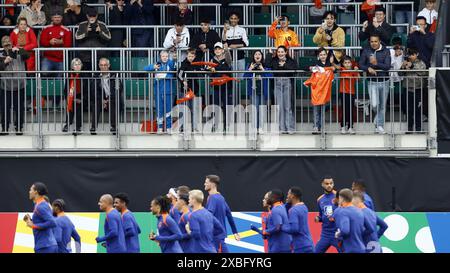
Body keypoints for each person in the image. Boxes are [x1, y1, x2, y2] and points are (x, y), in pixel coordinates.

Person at [359, 34, 391, 134]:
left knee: (382, 105)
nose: (373, 43)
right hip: (372, 82)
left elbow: (387, 66)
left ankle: (379, 125)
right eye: (372, 41)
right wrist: (368, 68)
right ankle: (378, 119)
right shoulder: (366, 51)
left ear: (379, 41)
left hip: (384, 81)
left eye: (375, 41)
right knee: (374, 105)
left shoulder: (386, 51)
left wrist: (376, 63)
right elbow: (360, 64)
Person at [265, 45, 298, 134]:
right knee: (280, 107)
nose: (280, 53)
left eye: (282, 52)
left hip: (287, 83)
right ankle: (281, 128)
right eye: (278, 52)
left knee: (287, 107)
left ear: (286, 52)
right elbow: (267, 64)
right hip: (277, 83)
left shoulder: (290, 61)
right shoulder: (274, 60)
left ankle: (290, 128)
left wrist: (285, 65)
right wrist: (269, 54)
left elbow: (295, 68)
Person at [0, 35, 29, 136]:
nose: (7, 43)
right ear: (2, 44)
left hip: (19, 85)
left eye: (8, 41)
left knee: (19, 107)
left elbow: (27, 56)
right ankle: (4, 128)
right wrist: (5, 62)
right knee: (4, 108)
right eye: (4, 41)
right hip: (5, 86)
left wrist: (19, 50)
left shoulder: (17, 51)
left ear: (12, 42)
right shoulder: (0, 54)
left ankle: (19, 128)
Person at [204, 174, 240, 253]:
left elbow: (209, 216)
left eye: (206, 182)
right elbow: (229, 215)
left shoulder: (213, 197)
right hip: (218, 237)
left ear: (213, 184)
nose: (204, 184)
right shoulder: (221, 197)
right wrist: (235, 232)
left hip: (215, 237)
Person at [144, 50, 176, 133]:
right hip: (158, 91)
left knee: (168, 110)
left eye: (166, 56)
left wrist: (164, 75)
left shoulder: (171, 63)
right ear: (160, 57)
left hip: (169, 91)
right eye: (163, 56)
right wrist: (153, 67)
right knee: (159, 110)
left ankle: (169, 127)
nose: (165, 58)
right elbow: (145, 68)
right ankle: (160, 127)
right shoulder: (157, 64)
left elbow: (174, 71)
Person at [306, 47, 336, 134]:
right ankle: (315, 127)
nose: (322, 56)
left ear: (327, 55)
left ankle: (322, 127)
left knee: (323, 111)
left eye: (324, 54)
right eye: (321, 55)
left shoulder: (329, 64)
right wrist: (310, 68)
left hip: (325, 91)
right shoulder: (316, 63)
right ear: (318, 56)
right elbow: (305, 67)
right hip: (316, 91)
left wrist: (333, 67)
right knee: (316, 110)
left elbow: (336, 69)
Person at [90, 58, 123, 135]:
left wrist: (108, 99)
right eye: (101, 65)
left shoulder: (115, 75)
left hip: (112, 98)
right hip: (100, 98)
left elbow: (119, 89)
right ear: (99, 66)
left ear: (109, 65)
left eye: (105, 65)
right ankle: (93, 128)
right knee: (96, 104)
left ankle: (114, 127)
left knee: (113, 103)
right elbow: (93, 91)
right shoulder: (96, 76)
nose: (103, 67)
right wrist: (102, 100)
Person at [23, 182, 58, 253]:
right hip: (47, 245)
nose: (29, 192)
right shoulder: (42, 204)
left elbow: (52, 222)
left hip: (45, 247)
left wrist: (33, 225)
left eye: (31, 190)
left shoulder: (41, 206)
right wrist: (31, 221)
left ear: (36, 192)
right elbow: (45, 221)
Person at [244, 50, 272, 134]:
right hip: (253, 91)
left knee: (262, 109)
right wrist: (250, 69)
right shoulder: (249, 65)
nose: (257, 55)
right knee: (254, 109)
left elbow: (270, 76)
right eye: (255, 54)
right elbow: (244, 77)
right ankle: (254, 127)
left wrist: (263, 70)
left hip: (262, 91)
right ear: (253, 56)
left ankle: (261, 127)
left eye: (259, 54)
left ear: (262, 56)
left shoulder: (265, 65)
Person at [400, 48, 427, 133]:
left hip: (418, 89)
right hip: (407, 89)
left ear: (417, 54)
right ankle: (409, 129)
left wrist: (411, 66)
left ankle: (418, 129)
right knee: (409, 110)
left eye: (412, 54)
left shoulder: (421, 63)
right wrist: (403, 67)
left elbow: (423, 72)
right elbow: (399, 73)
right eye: (409, 55)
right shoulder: (405, 62)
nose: (410, 56)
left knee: (418, 110)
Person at [39, 11, 72, 76]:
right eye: (55, 17)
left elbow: (69, 45)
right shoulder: (46, 28)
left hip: (61, 59)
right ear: (52, 18)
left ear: (62, 18)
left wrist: (62, 42)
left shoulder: (66, 30)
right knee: (44, 73)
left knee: (60, 77)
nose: (57, 19)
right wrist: (49, 42)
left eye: (59, 17)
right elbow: (42, 42)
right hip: (48, 58)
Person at [334, 189, 366, 253]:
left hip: (350, 249)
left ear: (342, 199)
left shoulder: (344, 212)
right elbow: (364, 229)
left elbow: (345, 231)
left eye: (339, 198)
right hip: (361, 248)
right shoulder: (359, 211)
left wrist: (338, 234)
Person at [284, 187, 314, 253]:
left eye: (288, 194)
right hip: (309, 244)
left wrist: (282, 227)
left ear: (292, 196)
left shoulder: (293, 210)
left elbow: (294, 229)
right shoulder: (304, 207)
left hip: (300, 247)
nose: (287, 196)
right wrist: (287, 204)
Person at [314, 176, 339, 253]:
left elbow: (345, 212)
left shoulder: (338, 196)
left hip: (337, 234)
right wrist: (318, 218)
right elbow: (321, 215)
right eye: (327, 183)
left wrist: (335, 217)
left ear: (333, 184)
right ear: (322, 184)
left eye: (331, 183)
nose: (329, 185)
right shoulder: (320, 199)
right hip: (325, 234)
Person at [62, 58, 87, 134]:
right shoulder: (70, 76)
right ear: (72, 67)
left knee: (78, 104)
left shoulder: (85, 75)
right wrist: (71, 98)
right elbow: (66, 90)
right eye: (75, 65)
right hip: (72, 96)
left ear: (81, 66)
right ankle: (68, 124)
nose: (77, 66)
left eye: (79, 64)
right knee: (71, 103)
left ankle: (78, 127)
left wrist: (82, 99)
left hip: (83, 97)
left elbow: (87, 90)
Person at [338, 55, 359, 134]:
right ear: (343, 64)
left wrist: (356, 69)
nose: (347, 64)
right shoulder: (342, 69)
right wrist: (332, 62)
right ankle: (343, 127)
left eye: (349, 63)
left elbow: (358, 79)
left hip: (351, 92)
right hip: (343, 92)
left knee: (350, 109)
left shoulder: (353, 71)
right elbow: (337, 67)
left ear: (351, 63)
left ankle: (350, 127)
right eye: (345, 63)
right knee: (344, 109)